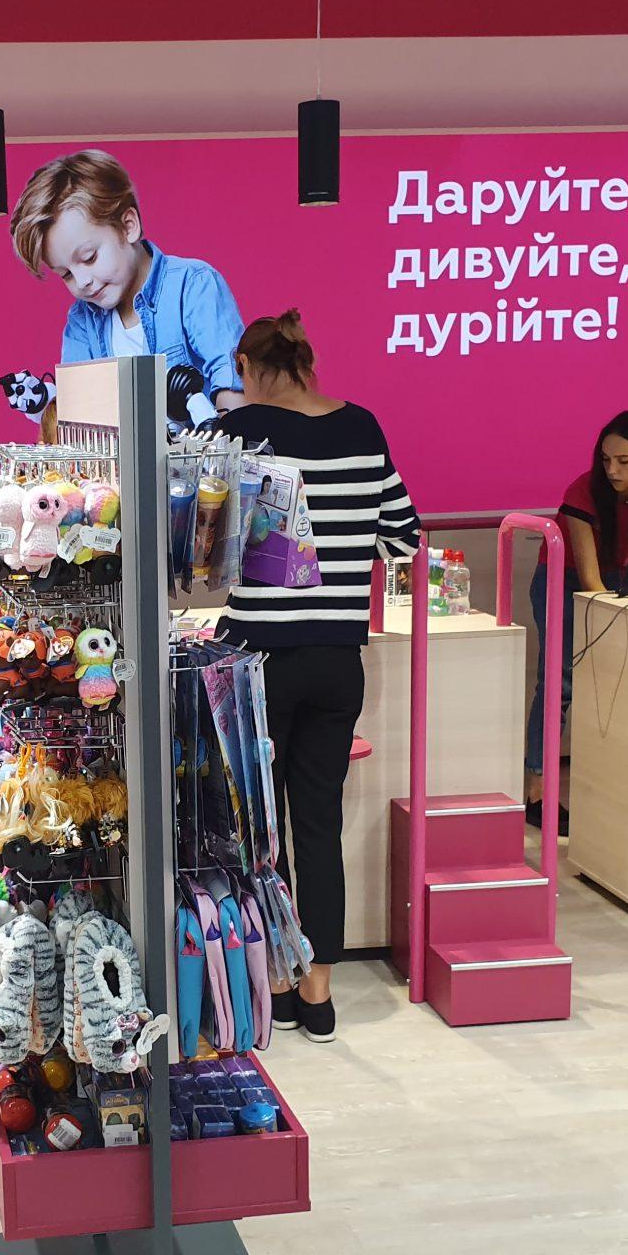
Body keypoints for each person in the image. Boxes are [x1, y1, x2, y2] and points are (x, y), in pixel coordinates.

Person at [217, 311, 420, 1043]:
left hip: (258, 661)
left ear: (248, 367)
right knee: (318, 824)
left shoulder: (238, 434)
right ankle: (320, 992)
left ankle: (272, 981)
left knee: (256, 830)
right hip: (338, 658)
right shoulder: (362, 426)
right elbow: (403, 536)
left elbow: (203, 540)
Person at [8, 149, 246, 425]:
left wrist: (224, 437)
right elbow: (78, 412)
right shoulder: (81, 322)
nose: (82, 281)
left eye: (89, 258)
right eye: (66, 274)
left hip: (203, 451)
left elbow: (231, 381)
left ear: (128, 226)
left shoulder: (193, 285)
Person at [525, 409, 628, 830]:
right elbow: (590, 581)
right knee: (559, 682)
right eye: (606, 459)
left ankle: (611, 785)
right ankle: (537, 790)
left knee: (615, 682)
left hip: (620, 578)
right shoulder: (583, 492)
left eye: (624, 461)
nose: (612, 470)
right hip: (564, 580)